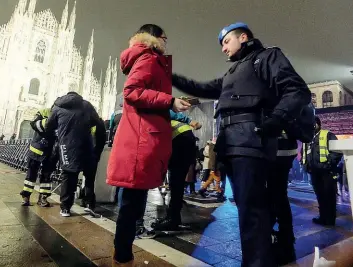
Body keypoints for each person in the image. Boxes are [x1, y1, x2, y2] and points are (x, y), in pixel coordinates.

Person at [171, 22, 311, 267]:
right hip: (231, 144)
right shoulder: (233, 72)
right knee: (248, 211)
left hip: (251, 142)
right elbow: (200, 87)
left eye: (226, 42)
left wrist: (276, 119)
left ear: (243, 37)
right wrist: (168, 74)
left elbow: (297, 90)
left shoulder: (267, 57)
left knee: (254, 212)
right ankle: (261, 257)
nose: (223, 49)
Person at [106, 24, 191, 267]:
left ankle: (124, 255)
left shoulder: (147, 58)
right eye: (164, 38)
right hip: (141, 141)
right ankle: (122, 258)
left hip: (141, 138)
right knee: (132, 203)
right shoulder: (149, 58)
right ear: (154, 38)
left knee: (134, 201)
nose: (166, 43)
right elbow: (132, 92)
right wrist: (170, 101)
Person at [45, 92, 100, 217]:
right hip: (86, 143)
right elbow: (96, 121)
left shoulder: (57, 106)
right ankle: (89, 205)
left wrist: (60, 130)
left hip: (67, 145)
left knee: (69, 175)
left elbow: (49, 125)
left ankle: (65, 208)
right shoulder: (86, 105)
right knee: (89, 176)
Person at [302, 116, 342, 226]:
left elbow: (337, 151)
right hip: (314, 172)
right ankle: (323, 217)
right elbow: (304, 154)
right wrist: (305, 165)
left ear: (318, 124)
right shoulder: (308, 138)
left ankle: (330, 220)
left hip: (327, 172)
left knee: (329, 196)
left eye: (312, 123)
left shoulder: (327, 134)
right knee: (320, 196)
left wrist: (328, 164)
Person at [268, 131, 298, 265]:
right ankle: (286, 234)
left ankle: (271, 233)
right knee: (280, 194)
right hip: (287, 152)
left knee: (273, 194)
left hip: (274, 151)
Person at [20, 108, 57, 207]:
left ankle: (43, 198)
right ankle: (26, 196)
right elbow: (33, 124)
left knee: (47, 175)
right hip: (37, 148)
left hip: (51, 150)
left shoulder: (63, 116)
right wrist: (49, 122)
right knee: (31, 174)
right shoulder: (44, 112)